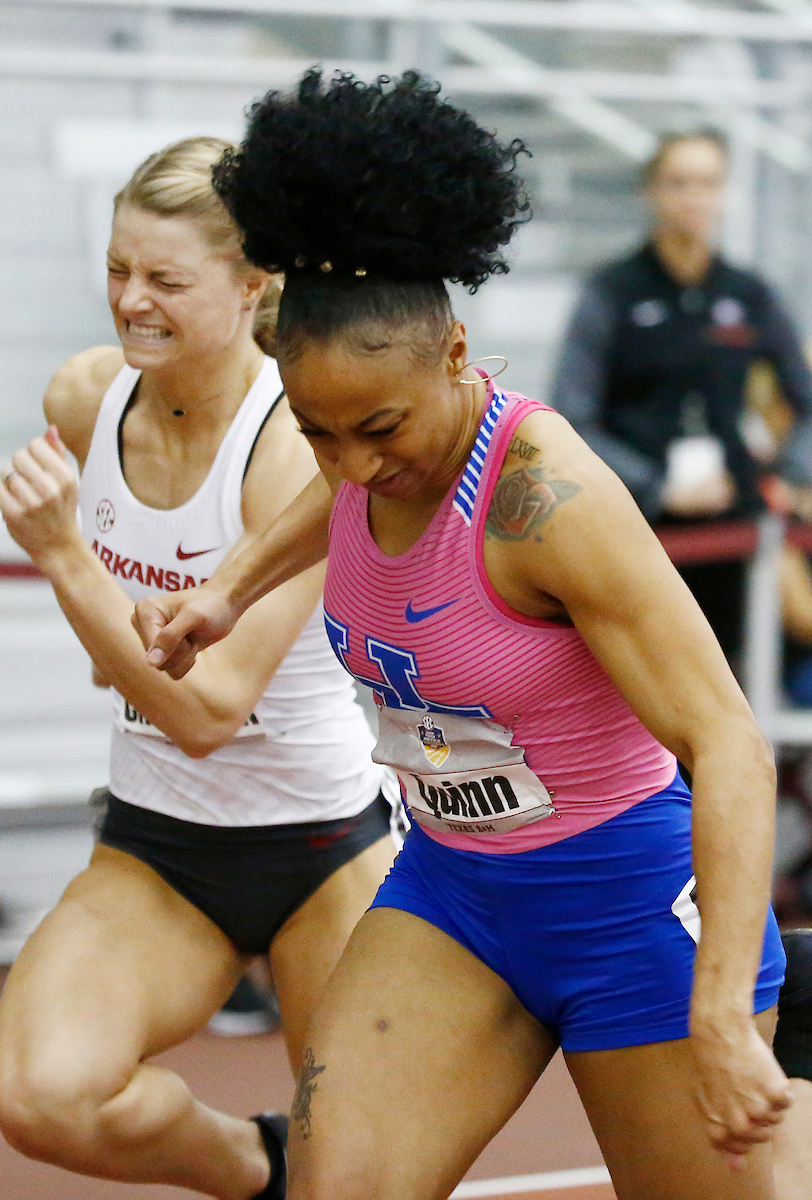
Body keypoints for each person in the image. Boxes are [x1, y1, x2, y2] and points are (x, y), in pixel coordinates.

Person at [130, 71, 812, 1200]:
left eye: (381, 428)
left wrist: (721, 1011)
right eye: (317, 430)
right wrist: (229, 589)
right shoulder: (360, 445)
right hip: (455, 895)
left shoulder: (548, 504)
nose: (352, 464)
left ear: (456, 356)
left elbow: (727, 741)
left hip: (629, 909)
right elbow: (345, 489)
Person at [0, 136, 395, 1200]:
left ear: (256, 282)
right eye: (118, 269)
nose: (132, 301)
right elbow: (130, 650)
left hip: (322, 844)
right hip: (160, 844)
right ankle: (251, 1163)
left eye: (166, 279)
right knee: (44, 1097)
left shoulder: (294, 446)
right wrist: (117, 642)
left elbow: (210, 711)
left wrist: (69, 561)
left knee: (354, 1177)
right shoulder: (86, 398)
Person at [550, 129, 812, 665]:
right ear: (651, 192)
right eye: (679, 182)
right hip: (633, 522)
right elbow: (572, 418)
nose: (694, 197)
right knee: (643, 679)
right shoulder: (611, 292)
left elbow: (804, 401)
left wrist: (789, 473)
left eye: (708, 183)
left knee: (729, 672)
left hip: (732, 526)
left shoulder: (749, 293)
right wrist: (658, 487)